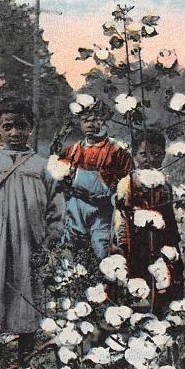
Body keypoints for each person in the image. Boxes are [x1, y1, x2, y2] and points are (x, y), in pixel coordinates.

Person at [0, 98, 64, 362]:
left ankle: (25, 350)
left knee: (27, 287)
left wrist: (49, 242)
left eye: (21, 126)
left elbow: (56, 209)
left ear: (31, 128)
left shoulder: (42, 166)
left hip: (30, 241)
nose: (15, 132)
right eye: (8, 126)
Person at [113, 130, 183, 312]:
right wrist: (123, 246)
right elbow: (120, 219)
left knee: (164, 284)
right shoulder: (127, 183)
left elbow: (170, 220)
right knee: (137, 283)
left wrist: (173, 246)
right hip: (136, 243)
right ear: (134, 156)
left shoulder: (164, 186)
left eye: (157, 154)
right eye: (144, 154)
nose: (150, 159)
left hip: (160, 243)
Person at [57, 97, 132, 264]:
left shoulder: (116, 150)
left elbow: (128, 180)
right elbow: (59, 177)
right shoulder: (74, 150)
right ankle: (76, 282)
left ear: (105, 121)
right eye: (85, 120)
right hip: (77, 207)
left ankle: (104, 282)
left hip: (104, 209)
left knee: (102, 248)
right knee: (74, 246)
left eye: (95, 119)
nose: (90, 124)